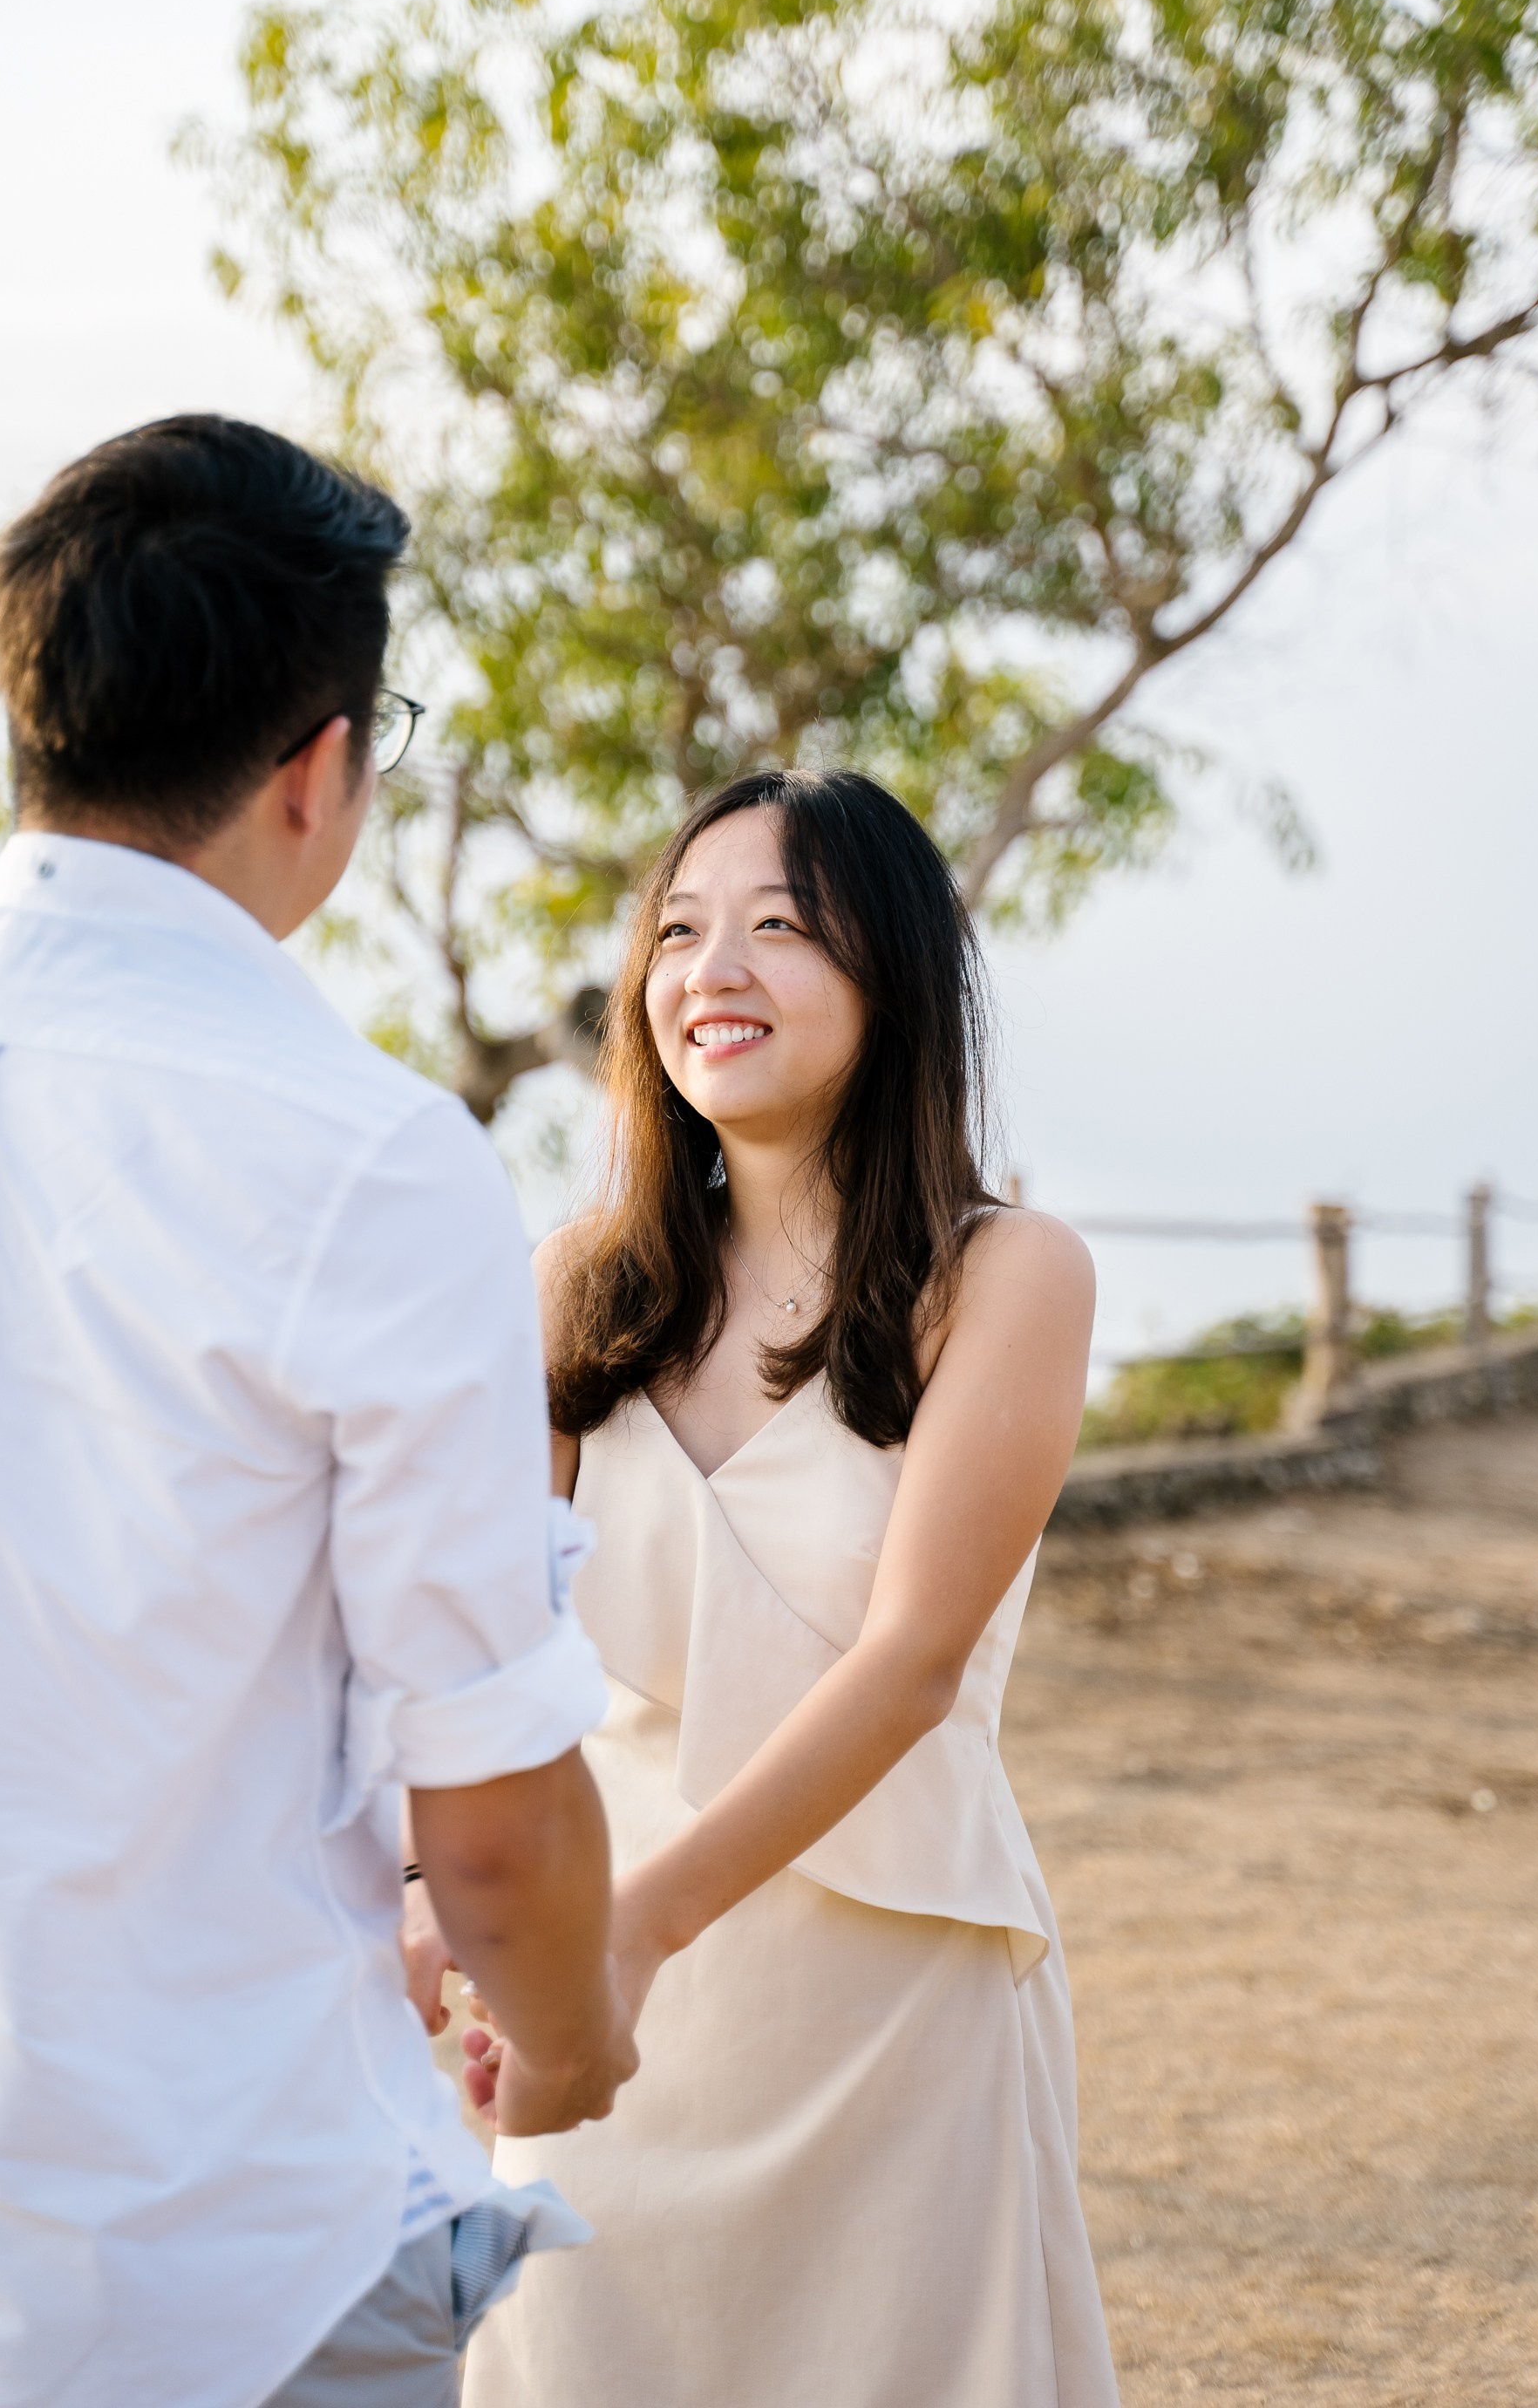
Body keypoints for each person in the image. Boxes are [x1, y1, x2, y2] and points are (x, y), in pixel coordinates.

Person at [0, 415, 635, 2408]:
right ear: (319, 765)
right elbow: (488, 1826)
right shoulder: (366, 1159)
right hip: (222, 2257)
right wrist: (567, 2041)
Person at [455, 767, 1121, 2408]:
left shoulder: (1006, 1274)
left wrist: (639, 1931)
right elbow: (477, 1643)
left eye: (779, 927)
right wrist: (455, 1918)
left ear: (889, 979)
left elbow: (909, 1665)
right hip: (582, 1994)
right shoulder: (575, 1283)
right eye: (678, 933)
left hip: (877, 1988)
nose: (711, 972)